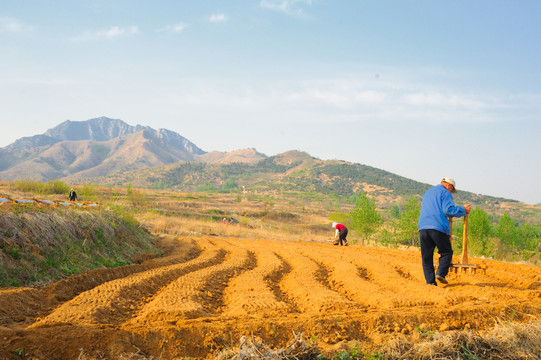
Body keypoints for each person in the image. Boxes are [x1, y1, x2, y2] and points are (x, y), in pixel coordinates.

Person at [418, 177, 470, 286]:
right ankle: (441, 273)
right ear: (448, 186)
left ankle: (431, 283)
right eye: (451, 189)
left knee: (426, 257)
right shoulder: (445, 193)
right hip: (438, 227)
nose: (451, 191)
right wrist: (463, 210)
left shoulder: (427, 193)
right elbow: (448, 210)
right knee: (446, 252)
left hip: (423, 227)